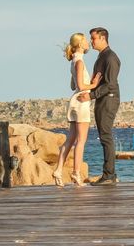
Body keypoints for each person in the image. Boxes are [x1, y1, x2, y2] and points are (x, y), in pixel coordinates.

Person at [53, 33, 101, 187]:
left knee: (71, 139)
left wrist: (87, 80)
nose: (88, 43)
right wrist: (94, 84)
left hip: (74, 101)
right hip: (81, 102)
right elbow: (80, 86)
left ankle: (59, 170)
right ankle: (76, 173)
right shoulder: (79, 62)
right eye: (85, 40)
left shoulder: (74, 61)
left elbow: (72, 86)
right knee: (81, 141)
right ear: (80, 44)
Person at [77, 27, 121, 185]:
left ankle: (109, 176)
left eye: (94, 38)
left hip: (108, 99)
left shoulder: (110, 58)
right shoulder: (102, 57)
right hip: (102, 99)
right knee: (104, 137)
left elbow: (110, 84)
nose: (91, 41)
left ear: (103, 38)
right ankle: (109, 174)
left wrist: (91, 95)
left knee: (106, 136)